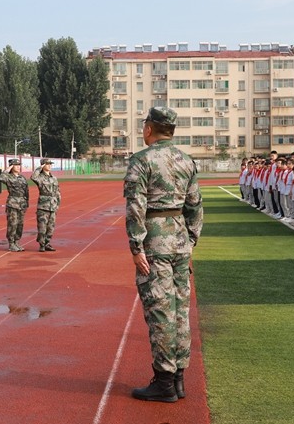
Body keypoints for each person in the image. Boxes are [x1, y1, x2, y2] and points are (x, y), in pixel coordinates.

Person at [124, 107, 203, 403]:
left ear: (149, 128)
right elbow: (195, 205)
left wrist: (136, 246)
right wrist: (191, 239)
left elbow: (135, 207)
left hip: (155, 244)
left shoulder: (142, 161)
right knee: (180, 309)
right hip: (180, 240)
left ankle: (164, 381)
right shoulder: (186, 160)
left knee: (160, 311)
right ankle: (179, 377)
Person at [31, 158, 61, 252]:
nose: (49, 166)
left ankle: (47, 243)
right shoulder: (39, 177)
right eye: (47, 164)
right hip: (43, 206)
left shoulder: (54, 178)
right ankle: (42, 244)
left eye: (50, 164)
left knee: (51, 227)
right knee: (42, 227)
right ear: (43, 165)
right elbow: (33, 177)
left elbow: (58, 192)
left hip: (53, 205)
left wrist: (58, 204)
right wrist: (39, 168)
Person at [0, 158, 29, 251]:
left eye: (19, 165)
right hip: (12, 203)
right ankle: (11, 243)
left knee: (20, 224)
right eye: (16, 165)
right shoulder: (8, 177)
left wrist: (26, 202)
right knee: (12, 224)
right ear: (12, 166)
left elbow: (26, 191)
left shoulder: (22, 178)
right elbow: (1, 177)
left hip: (22, 203)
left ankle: (17, 242)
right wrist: (8, 168)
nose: (18, 167)